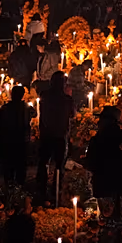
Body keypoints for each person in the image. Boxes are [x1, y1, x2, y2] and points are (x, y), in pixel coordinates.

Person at [84, 106, 122, 220]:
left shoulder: (97, 140)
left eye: (101, 120)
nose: (98, 123)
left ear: (106, 122)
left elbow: (90, 163)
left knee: (105, 218)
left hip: (103, 187)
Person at [37, 72, 75, 200]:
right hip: (60, 134)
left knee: (43, 162)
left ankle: (41, 189)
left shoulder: (45, 95)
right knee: (59, 164)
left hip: (46, 133)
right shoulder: (67, 99)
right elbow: (73, 114)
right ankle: (56, 190)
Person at [0, 85, 34, 186]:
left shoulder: (6, 108)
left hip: (8, 141)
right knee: (20, 165)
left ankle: (10, 185)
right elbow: (34, 114)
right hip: (21, 140)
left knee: (9, 165)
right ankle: (19, 186)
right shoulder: (26, 108)